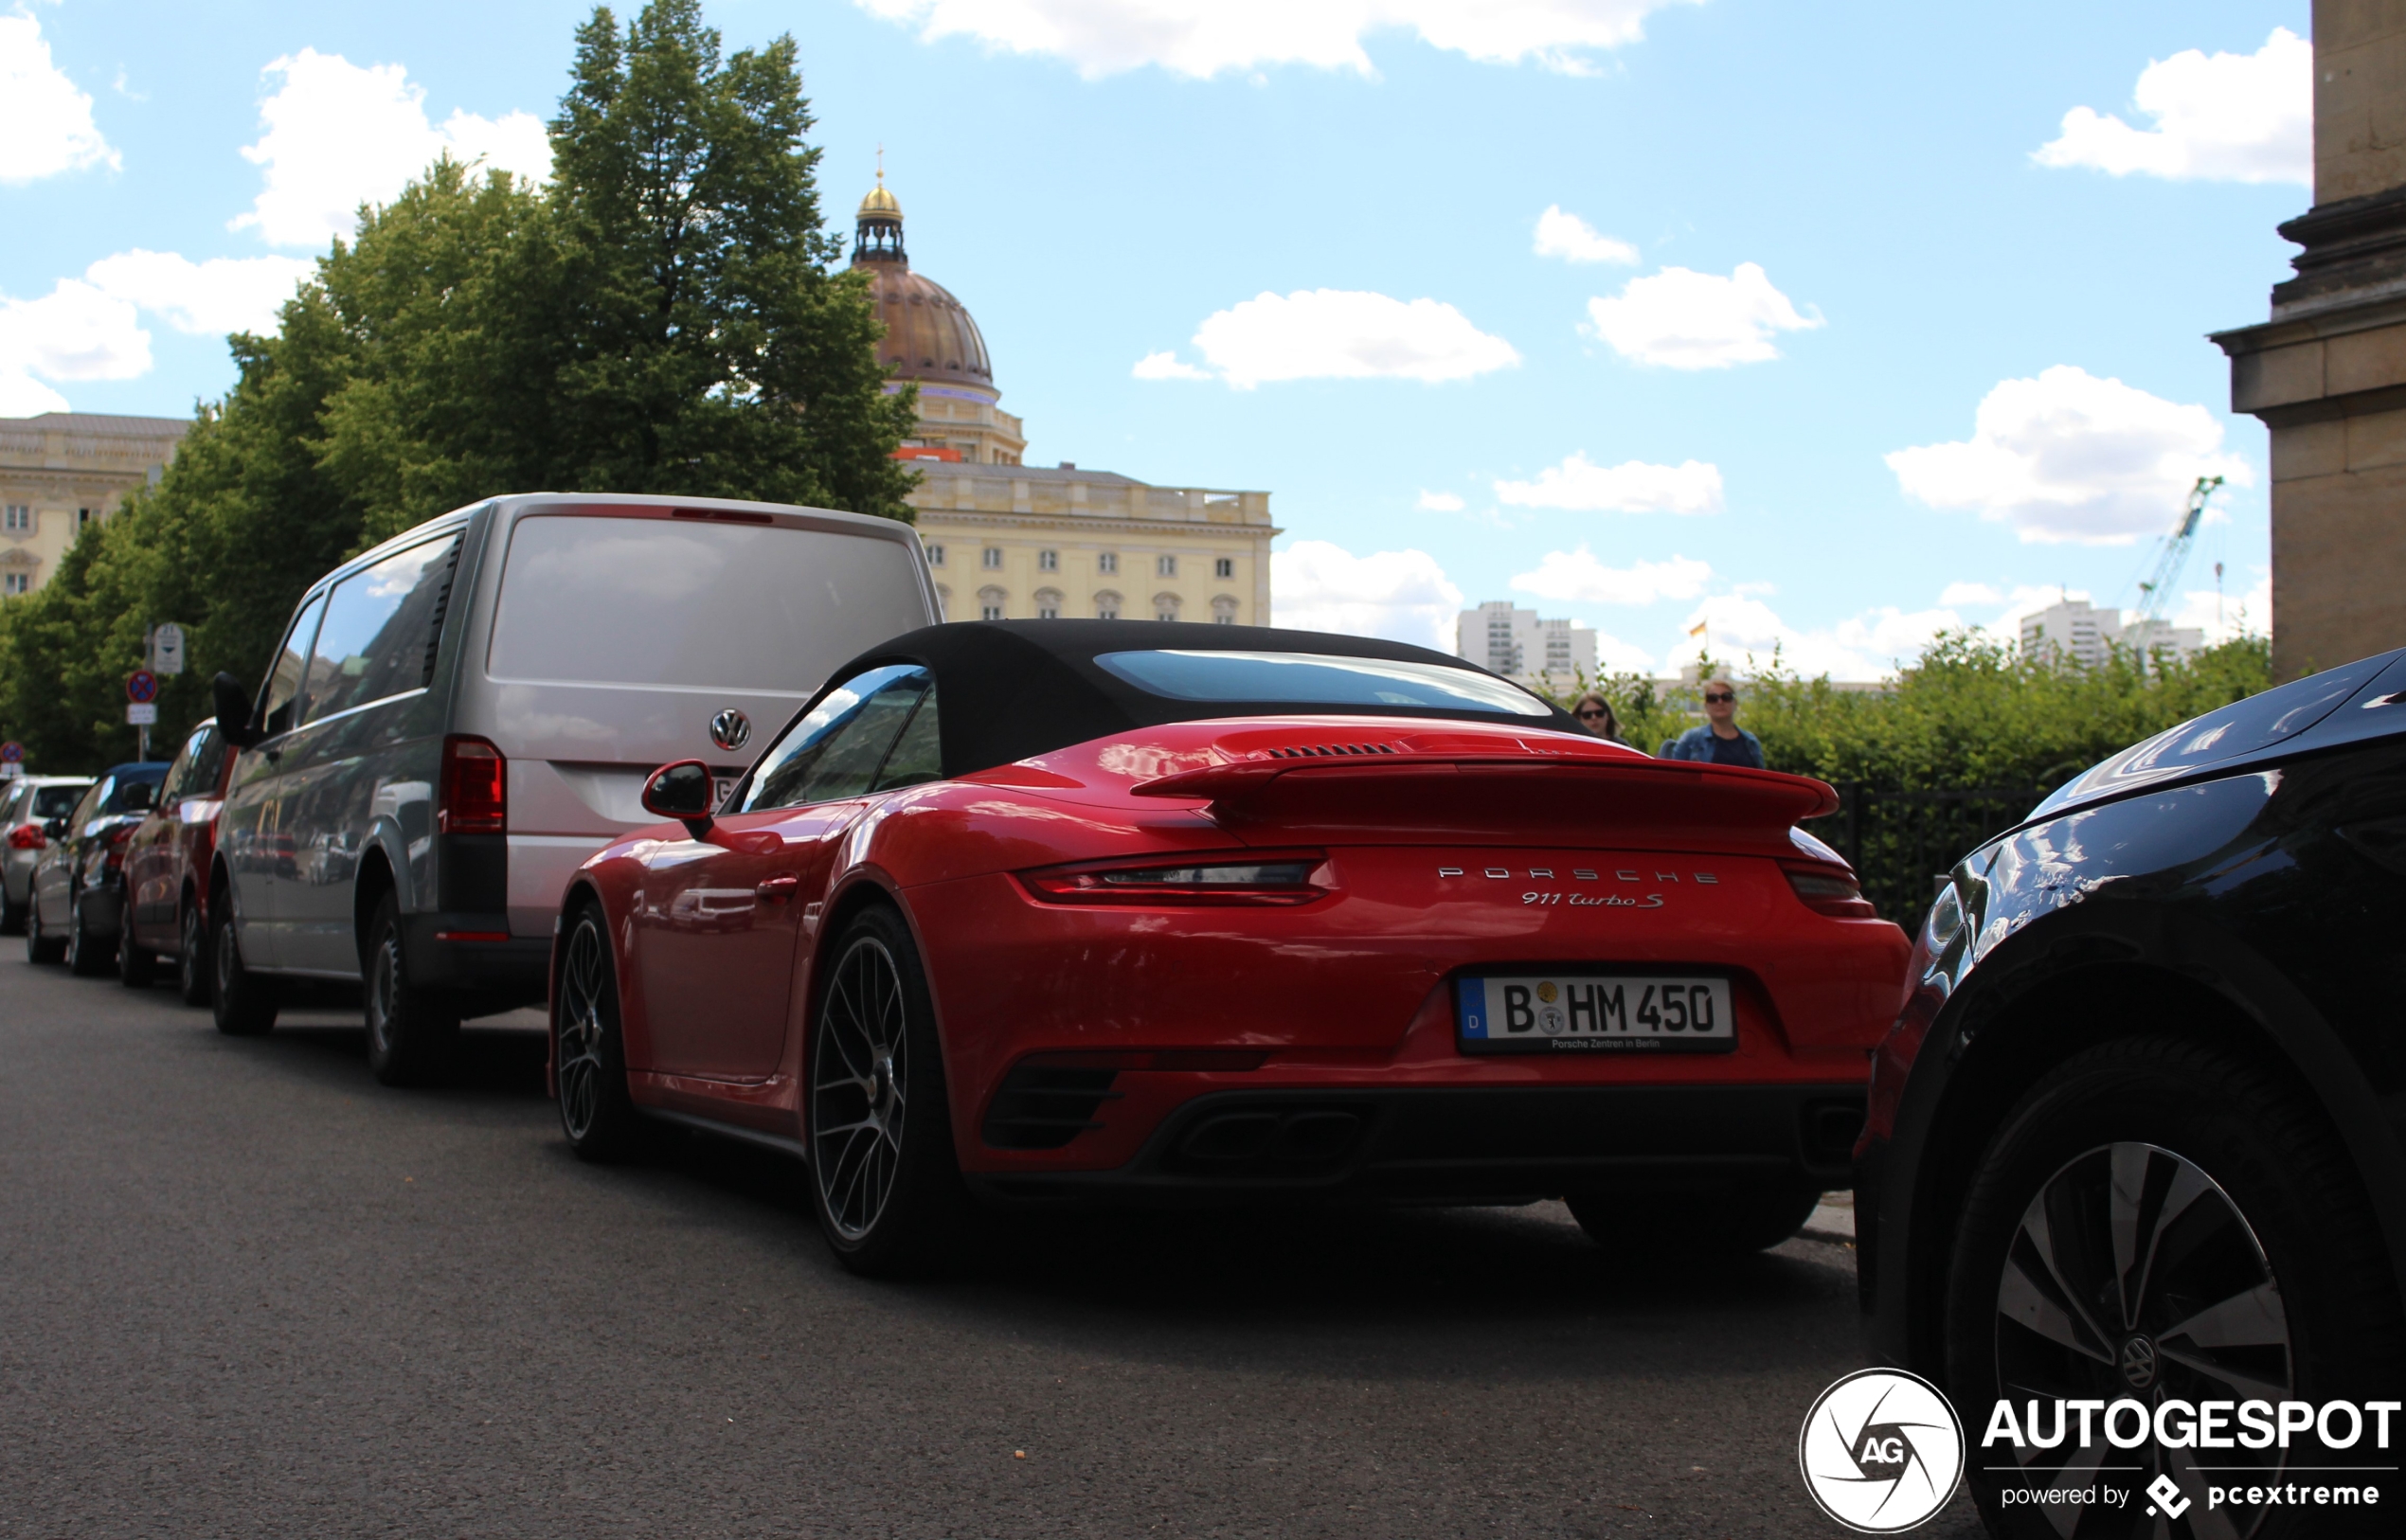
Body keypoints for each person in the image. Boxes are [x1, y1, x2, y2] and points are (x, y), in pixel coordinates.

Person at [1659, 677, 1764, 768]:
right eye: (1713, 698)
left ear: (1735, 703)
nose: (1720, 702)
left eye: (1726, 697)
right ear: (1706, 706)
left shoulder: (1751, 742)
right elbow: (1674, 776)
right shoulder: (1691, 739)